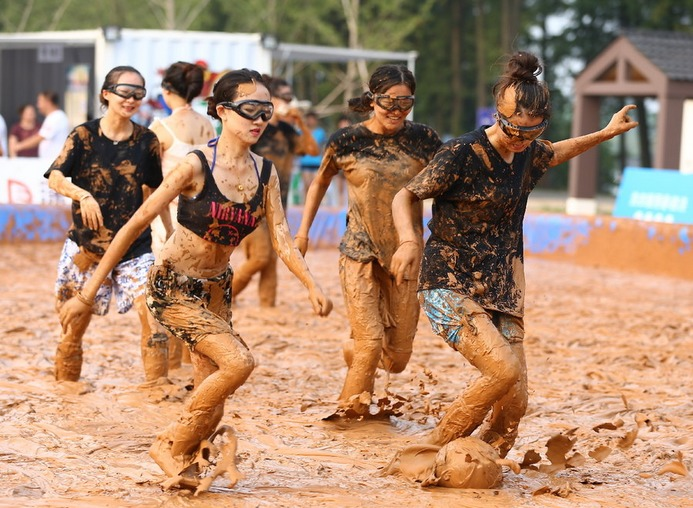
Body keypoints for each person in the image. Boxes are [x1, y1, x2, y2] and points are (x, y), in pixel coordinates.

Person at [58, 69, 333, 490]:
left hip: (216, 289)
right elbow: (135, 224)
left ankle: (187, 465)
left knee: (214, 399)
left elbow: (281, 239)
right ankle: (168, 444)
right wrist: (89, 291)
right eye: (250, 110)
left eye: (266, 111)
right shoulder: (195, 164)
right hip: (173, 284)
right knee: (239, 362)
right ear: (222, 112)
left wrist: (312, 284)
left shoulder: (266, 173)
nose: (259, 120)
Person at [390, 51, 638, 458]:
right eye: (511, 128)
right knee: (500, 370)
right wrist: (408, 242)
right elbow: (406, 194)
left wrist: (605, 133)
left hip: (504, 290)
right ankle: (427, 450)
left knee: (514, 405)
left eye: (530, 131)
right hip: (449, 283)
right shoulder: (460, 154)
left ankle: (478, 467)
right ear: (496, 114)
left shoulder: (528, 152)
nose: (519, 139)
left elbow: (553, 152)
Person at [295, 64, 442, 417]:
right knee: (371, 343)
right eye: (388, 102)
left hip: (406, 256)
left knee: (397, 360)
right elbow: (319, 183)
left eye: (404, 103)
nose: (395, 111)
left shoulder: (424, 140)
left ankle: (356, 350)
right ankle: (349, 420)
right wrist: (303, 233)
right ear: (372, 99)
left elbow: (447, 186)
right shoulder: (347, 141)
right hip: (358, 251)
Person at [44, 65, 168, 384]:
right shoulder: (83, 136)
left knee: (153, 317)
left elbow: (154, 191)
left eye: (138, 94)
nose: (131, 99)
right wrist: (82, 195)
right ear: (106, 94)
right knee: (72, 328)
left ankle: (158, 396)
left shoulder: (147, 142)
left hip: (134, 248)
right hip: (86, 247)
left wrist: (168, 233)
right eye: (124, 92)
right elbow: (55, 178)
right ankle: (66, 396)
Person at [148, 61, 217, 370]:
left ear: (166, 91)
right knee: (192, 292)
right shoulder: (209, 126)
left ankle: (167, 368)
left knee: (161, 293)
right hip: (201, 218)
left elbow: (150, 185)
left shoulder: (159, 129)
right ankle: (194, 363)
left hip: (169, 217)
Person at [232, 75, 319, 307]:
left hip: (277, 205)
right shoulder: (253, 129)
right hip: (250, 204)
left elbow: (312, 150)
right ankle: (224, 295)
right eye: (284, 97)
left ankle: (267, 307)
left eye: (290, 97)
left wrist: (299, 123)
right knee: (260, 257)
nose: (288, 102)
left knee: (271, 259)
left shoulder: (287, 131)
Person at [14, 90, 70, 160]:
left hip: (54, 162)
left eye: (40, 102)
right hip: (51, 161)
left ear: (48, 102)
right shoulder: (54, 117)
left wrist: (19, 146)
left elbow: (40, 137)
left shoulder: (56, 117)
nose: (38, 105)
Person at [299, 110, 326, 201]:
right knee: (306, 184)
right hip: (305, 162)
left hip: (316, 162)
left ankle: (316, 204)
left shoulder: (320, 132)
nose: (310, 121)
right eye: (309, 119)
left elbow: (323, 147)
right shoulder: (301, 131)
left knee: (315, 186)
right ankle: (305, 204)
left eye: (312, 119)